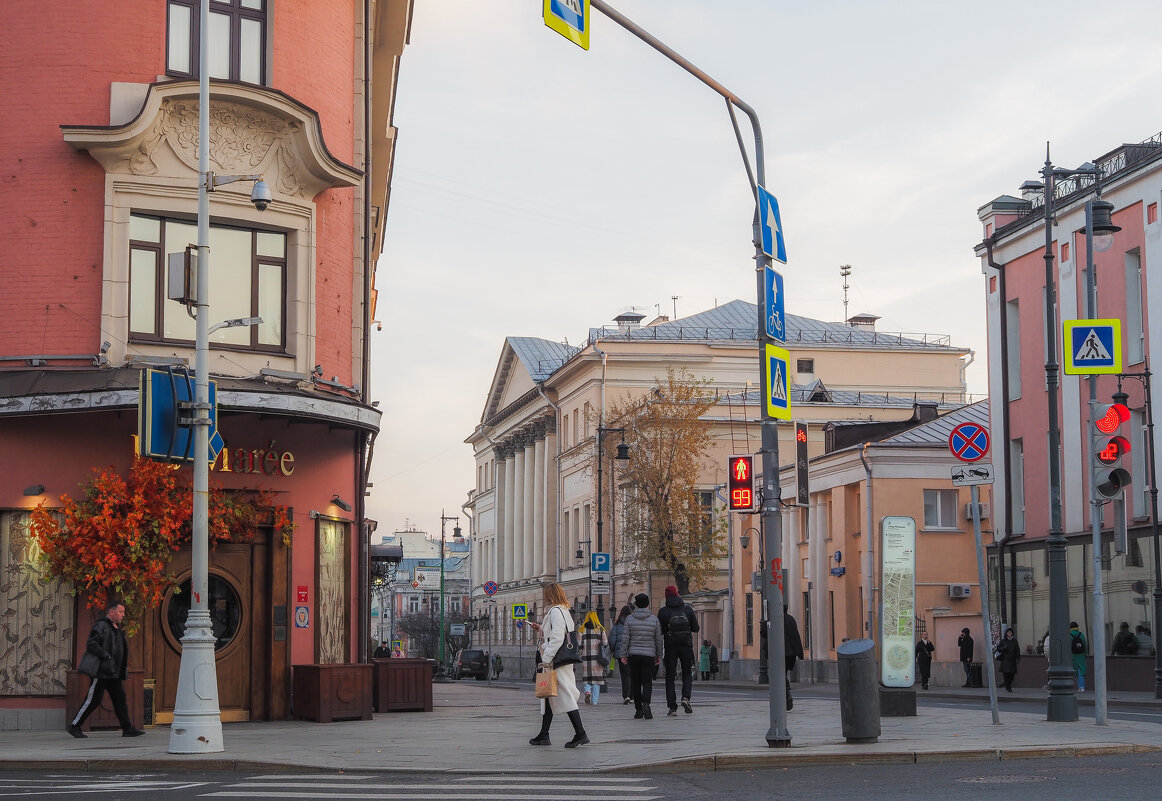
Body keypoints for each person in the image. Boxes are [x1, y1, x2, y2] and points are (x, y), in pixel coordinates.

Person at [67, 601, 145, 738]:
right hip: (102, 672)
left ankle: (127, 728)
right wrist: (105, 655)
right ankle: (74, 726)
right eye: (120, 612)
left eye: (123, 612)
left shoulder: (116, 628)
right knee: (93, 700)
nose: (123, 615)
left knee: (119, 699)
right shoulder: (102, 626)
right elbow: (92, 643)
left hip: (113, 673)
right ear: (111, 612)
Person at [526, 583, 588, 748]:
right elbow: (557, 633)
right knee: (548, 696)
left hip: (556, 660)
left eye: (546, 595)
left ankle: (581, 733)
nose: (545, 598)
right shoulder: (564, 611)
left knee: (565, 695)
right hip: (561, 659)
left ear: (551, 596)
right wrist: (541, 628)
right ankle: (544, 734)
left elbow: (557, 638)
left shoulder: (555, 611)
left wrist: (546, 658)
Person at [617, 593, 663, 720]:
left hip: (634, 655)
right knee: (647, 682)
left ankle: (638, 709)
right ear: (648, 604)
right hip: (649, 655)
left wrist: (623, 655)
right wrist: (659, 655)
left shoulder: (630, 619)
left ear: (636, 605)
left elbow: (625, 639)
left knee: (636, 682)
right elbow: (658, 639)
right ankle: (646, 704)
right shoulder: (654, 620)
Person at [658, 585, 699, 716]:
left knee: (670, 676)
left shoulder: (663, 611)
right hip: (686, 645)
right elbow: (696, 628)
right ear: (677, 594)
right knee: (687, 673)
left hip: (671, 646)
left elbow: (660, 631)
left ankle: (672, 708)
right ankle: (686, 698)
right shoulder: (687, 609)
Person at [578, 611, 609, 705]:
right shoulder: (600, 629)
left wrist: (581, 653)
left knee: (587, 677)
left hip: (586, 657)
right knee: (597, 679)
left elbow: (579, 644)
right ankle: (595, 701)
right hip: (598, 658)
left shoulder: (582, 629)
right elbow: (605, 643)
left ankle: (587, 691)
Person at [610, 605, 634, 705]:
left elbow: (612, 640)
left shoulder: (616, 625)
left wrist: (613, 651)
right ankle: (632, 696)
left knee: (625, 675)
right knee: (633, 674)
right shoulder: (633, 623)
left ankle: (626, 696)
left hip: (621, 654)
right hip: (633, 653)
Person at [784, 606, 805, 710]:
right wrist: (800, 652)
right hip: (791, 654)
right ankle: (786, 693)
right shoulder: (791, 619)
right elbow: (796, 635)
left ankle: (786, 694)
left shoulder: (775, 619)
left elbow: (764, 632)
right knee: (783, 673)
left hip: (780, 653)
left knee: (779, 675)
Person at [995, 627, 1021, 693]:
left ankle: (1005, 684)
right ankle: (1008, 687)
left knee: (1012, 675)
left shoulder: (1015, 641)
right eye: (1008, 632)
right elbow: (998, 649)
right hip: (1005, 660)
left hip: (1012, 660)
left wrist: (1018, 658)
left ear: (1012, 633)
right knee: (1006, 675)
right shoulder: (1003, 641)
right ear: (1006, 633)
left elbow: (1017, 650)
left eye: (1010, 632)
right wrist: (1004, 648)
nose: (1009, 633)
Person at [1069, 621, 1088, 691]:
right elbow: (1085, 645)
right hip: (1081, 655)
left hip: (1072, 656)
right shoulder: (1081, 635)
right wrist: (1085, 654)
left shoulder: (1069, 635)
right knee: (1081, 671)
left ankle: (1070, 687)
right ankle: (1081, 687)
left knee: (1072, 671)